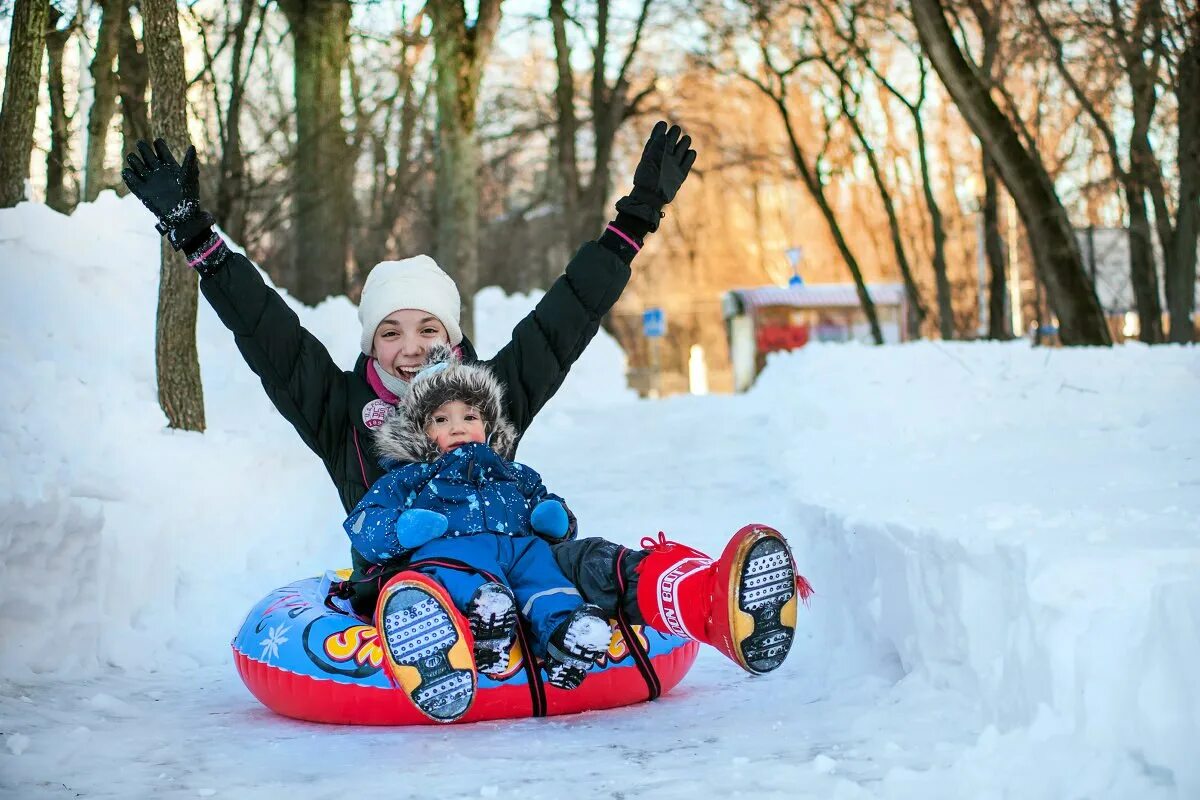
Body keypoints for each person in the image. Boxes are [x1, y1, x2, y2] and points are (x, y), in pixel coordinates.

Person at [120, 123, 805, 692]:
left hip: (520, 567)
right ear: (371, 345)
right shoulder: (340, 409)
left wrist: (635, 220)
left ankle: (710, 604)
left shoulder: (490, 399)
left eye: (428, 330)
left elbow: (565, 318)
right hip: (412, 583)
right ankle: (450, 640)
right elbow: (267, 332)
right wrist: (195, 236)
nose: (411, 348)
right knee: (428, 580)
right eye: (390, 332)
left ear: (452, 338)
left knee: (591, 560)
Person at [345, 345, 612, 720]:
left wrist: (556, 519)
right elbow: (363, 523)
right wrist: (401, 530)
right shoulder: (410, 477)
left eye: (469, 416)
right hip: (453, 549)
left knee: (543, 572)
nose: (457, 427)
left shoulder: (514, 473)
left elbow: (546, 504)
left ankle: (565, 636)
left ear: (488, 426)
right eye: (440, 420)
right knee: (453, 567)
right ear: (420, 432)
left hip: (518, 550)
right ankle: (484, 614)